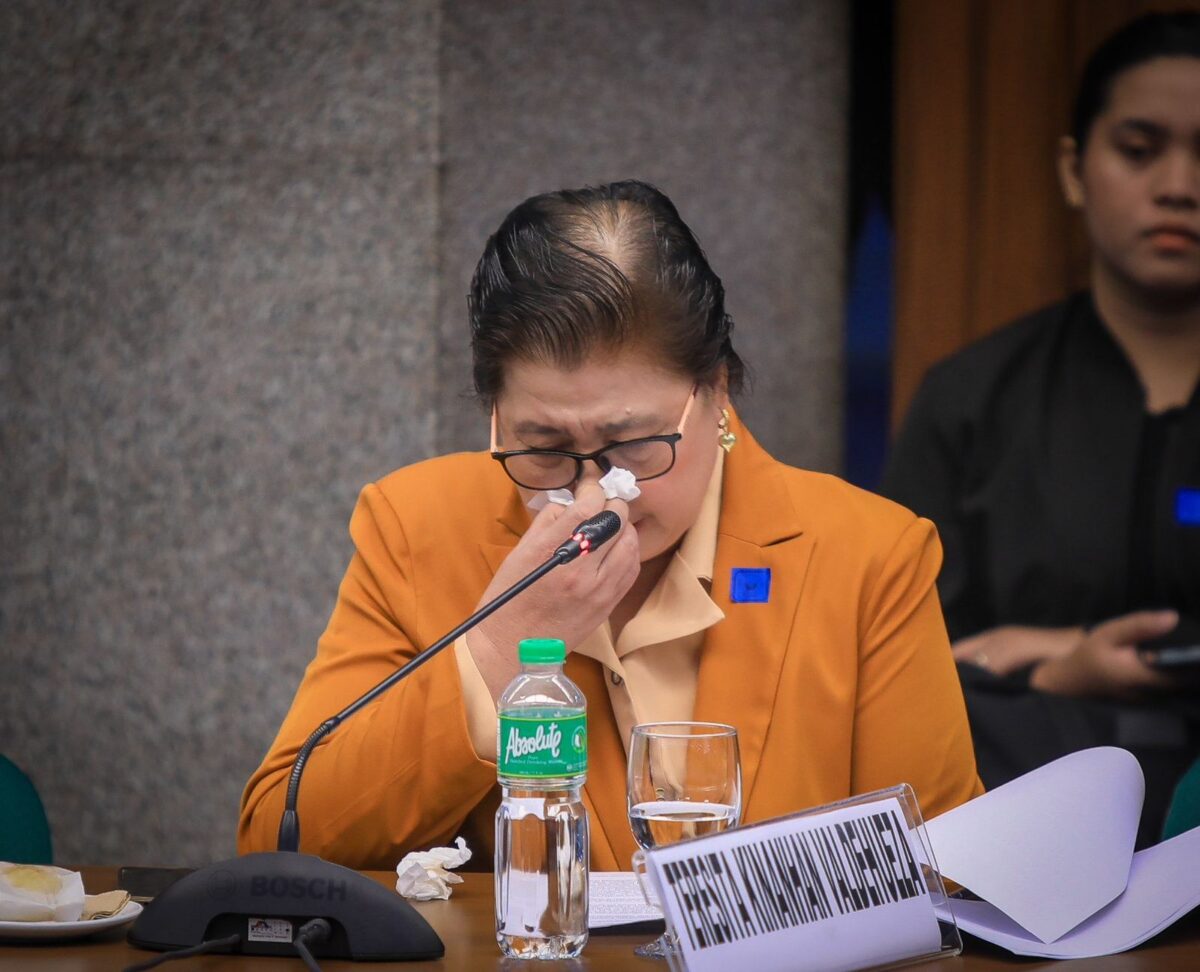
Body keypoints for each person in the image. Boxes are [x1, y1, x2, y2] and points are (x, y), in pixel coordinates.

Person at [240, 181, 982, 871]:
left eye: (633, 446)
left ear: (716, 392)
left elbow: (944, 872)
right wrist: (501, 650)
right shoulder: (415, 524)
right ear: (494, 416)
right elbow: (283, 836)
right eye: (547, 449)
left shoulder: (867, 555)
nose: (601, 495)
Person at [883, 13, 1200, 847]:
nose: (1178, 185)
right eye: (1139, 149)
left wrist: (1046, 642)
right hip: (1028, 811)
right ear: (1074, 168)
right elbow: (896, 656)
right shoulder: (973, 397)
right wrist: (1063, 669)